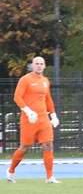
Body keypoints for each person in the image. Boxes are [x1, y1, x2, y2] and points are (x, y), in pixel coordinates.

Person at [7, 56, 60, 184]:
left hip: (43, 118)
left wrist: (53, 115)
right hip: (28, 119)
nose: (39, 66)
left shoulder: (45, 81)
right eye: (37, 63)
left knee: (48, 144)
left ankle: (49, 177)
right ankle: (11, 171)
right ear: (32, 65)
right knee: (25, 147)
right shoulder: (25, 80)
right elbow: (17, 97)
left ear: (45, 66)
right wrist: (27, 110)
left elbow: (48, 99)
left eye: (41, 63)